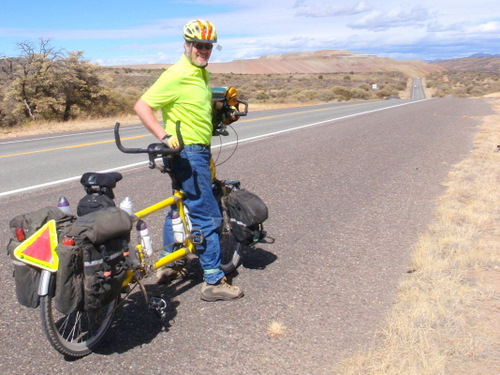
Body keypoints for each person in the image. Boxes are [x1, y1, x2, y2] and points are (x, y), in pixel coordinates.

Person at [134, 20, 243, 301]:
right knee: (206, 214)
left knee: (180, 205)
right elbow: (142, 106)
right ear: (187, 45)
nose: (203, 50)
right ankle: (213, 280)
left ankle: (171, 263)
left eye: (208, 46)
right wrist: (164, 133)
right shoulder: (178, 74)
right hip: (188, 151)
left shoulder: (201, 74)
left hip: (197, 150)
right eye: (199, 45)